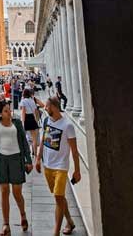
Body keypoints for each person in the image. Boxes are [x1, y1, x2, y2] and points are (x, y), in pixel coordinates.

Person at [0, 100, 32, 235]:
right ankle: (6, 225)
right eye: (6, 111)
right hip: (0, 159)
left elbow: (24, 142)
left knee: (17, 193)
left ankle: (23, 215)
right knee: (4, 191)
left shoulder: (17, 123)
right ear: (0, 113)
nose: (9, 112)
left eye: (9, 110)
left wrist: (28, 160)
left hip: (16, 159)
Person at [36, 96, 80, 236]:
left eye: (47, 106)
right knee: (59, 197)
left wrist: (77, 171)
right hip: (47, 165)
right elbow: (43, 140)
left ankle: (56, 232)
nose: (46, 108)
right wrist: (38, 159)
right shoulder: (47, 120)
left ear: (54, 107)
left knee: (58, 196)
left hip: (61, 166)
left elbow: (74, 150)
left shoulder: (68, 126)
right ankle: (70, 222)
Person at [19, 88, 45, 157]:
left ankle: (26, 153)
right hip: (32, 119)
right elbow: (35, 111)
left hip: (26, 119)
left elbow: (23, 112)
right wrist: (36, 120)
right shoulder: (32, 101)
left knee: (24, 138)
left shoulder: (23, 101)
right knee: (34, 139)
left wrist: (23, 123)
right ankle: (35, 154)